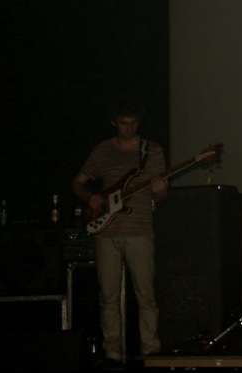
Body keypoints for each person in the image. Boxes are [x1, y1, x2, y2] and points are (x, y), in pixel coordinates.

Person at [70, 94, 168, 368]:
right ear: (114, 122)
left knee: (146, 295)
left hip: (140, 230)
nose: (129, 128)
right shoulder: (102, 150)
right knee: (108, 296)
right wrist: (89, 197)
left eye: (133, 123)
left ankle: (150, 349)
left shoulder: (152, 150)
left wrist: (160, 191)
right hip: (107, 230)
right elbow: (77, 182)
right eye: (124, 123)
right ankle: (112, 352)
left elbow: (161, 196)